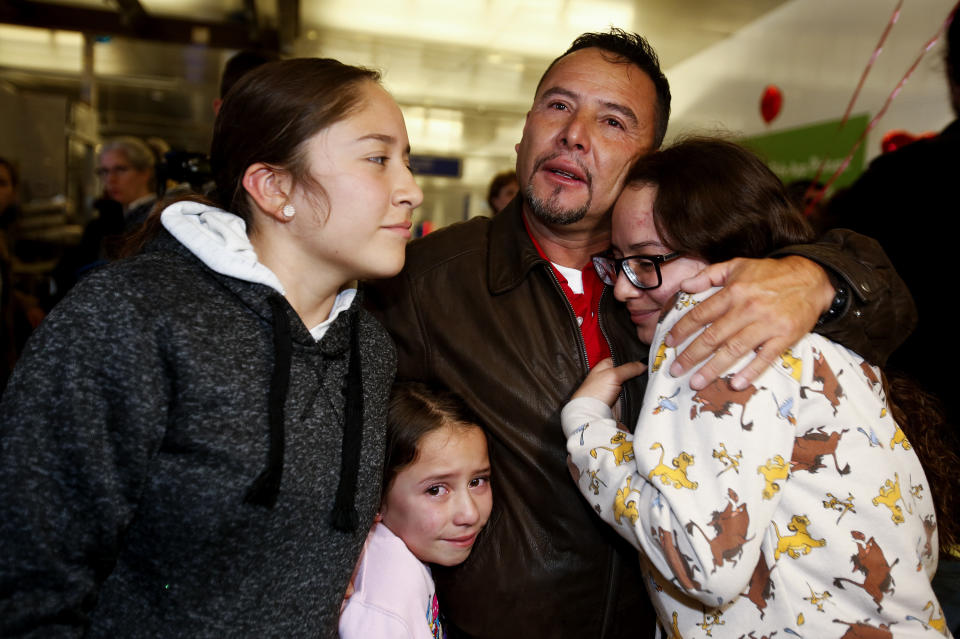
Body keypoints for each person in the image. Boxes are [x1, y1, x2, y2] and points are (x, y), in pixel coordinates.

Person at [366, 29, 915, 639]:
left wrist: (816, 277)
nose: (574, 134)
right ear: (524, 132)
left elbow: (892, 312)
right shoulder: (427, 282)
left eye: (613, 122)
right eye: (557, 105)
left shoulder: (701, 291)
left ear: (647, 159)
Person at [0, 57, 422, 636]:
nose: (411, 191)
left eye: (407, 162)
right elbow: (28, 580)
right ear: (275, 188)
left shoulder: (367, 348)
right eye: (378, 159)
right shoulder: (131, 316)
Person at [563, 137, 949, 638]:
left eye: (648, 260)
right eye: (618, 261)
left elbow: (702, 560)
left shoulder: (713, 331)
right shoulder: (824, 342)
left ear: (730, 255)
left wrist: (589, 431)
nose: (621, 287)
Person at [340, 382, 492, 639]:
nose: (470, 514)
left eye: (477, 482)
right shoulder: (388, 602)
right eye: (436, 490)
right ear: (374, 499)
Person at [96, 136, 157, 230]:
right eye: (105, 171)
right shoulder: (107, 220)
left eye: (120, 170)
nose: (110, 179)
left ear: (145, 172)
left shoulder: (156, 219)